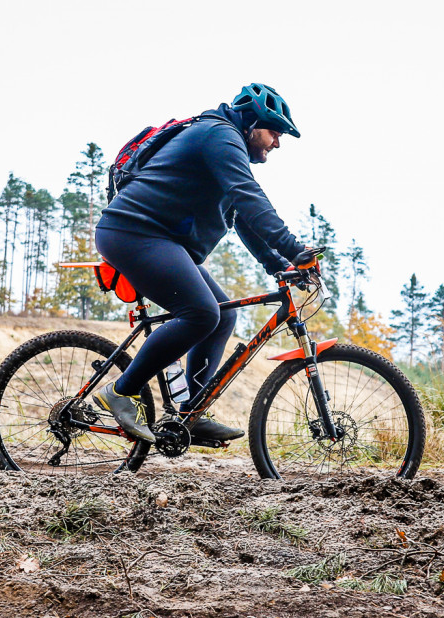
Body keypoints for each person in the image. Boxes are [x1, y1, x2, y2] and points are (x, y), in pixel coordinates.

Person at [92, 83, 309, 444]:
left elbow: (242, 217)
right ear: (253, 123)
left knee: (223, 313)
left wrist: (278, 264)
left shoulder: (221, 144)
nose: (277, 143)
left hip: (158, 239)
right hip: (134, 233)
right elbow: (249, 196)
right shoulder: (219, 135)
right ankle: (121, 391)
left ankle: (190, 412)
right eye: (275, 132)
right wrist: (293, 247)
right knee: (201, 313)